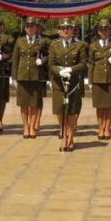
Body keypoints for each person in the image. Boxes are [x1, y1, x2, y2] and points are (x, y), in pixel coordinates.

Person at [49, 18, 87, 152]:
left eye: (68, 28)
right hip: (59, 83)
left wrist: (70, 69)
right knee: (60, 110)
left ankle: (69, 138)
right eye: (63, 28)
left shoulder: (80, 45)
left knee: (71, 112)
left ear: (72, 30)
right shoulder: (54, 45)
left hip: (73, 83)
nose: (65, 30)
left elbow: (83, 64)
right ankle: (63, 133)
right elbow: (51, 64)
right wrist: (59, 71)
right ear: (58, 31)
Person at [12, 16, 50, 138]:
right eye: (27, 26)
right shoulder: (20, 41)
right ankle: (25, 127)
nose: (30, 28)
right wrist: (14, 77)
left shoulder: (41, 42)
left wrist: (42, 60)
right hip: (22, 75)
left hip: (35, 76)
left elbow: (48, 55)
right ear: (25, 28)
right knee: (23, 103)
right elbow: (15, 59)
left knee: (34, 103)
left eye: (32, 26)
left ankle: (32, 126)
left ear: (36, 28)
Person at [88, 18, 111, 141]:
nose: (104, 31)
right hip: (97, 78)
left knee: (109, 105)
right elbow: (91, 63)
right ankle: (100, 127)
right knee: (99, 106)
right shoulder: (93, 45)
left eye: (106, 29)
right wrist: (90, 80)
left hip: (110, 77)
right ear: (98, 31)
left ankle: (107, 127)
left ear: (109, 31)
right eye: (101, 29)